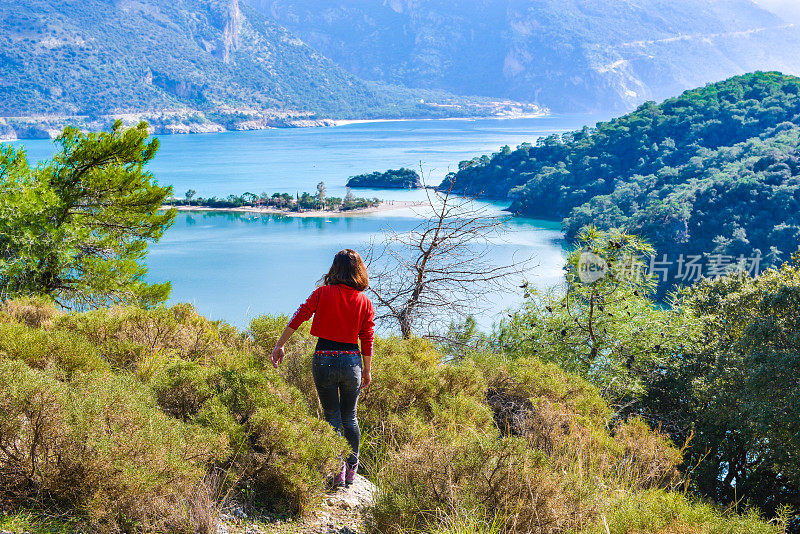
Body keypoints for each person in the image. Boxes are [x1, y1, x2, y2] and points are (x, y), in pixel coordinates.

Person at [271, 249, 375, 487]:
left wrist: (280, 345)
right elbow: (367, 337)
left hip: (324, 358)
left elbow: (299, 316)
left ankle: (336, 470)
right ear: (359, 271)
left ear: (334, 269)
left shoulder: (322, 293)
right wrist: (367, 370)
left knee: (332, 418)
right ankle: (351, 470)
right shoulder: (364, 302)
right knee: (351, 417)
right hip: (351, 363)